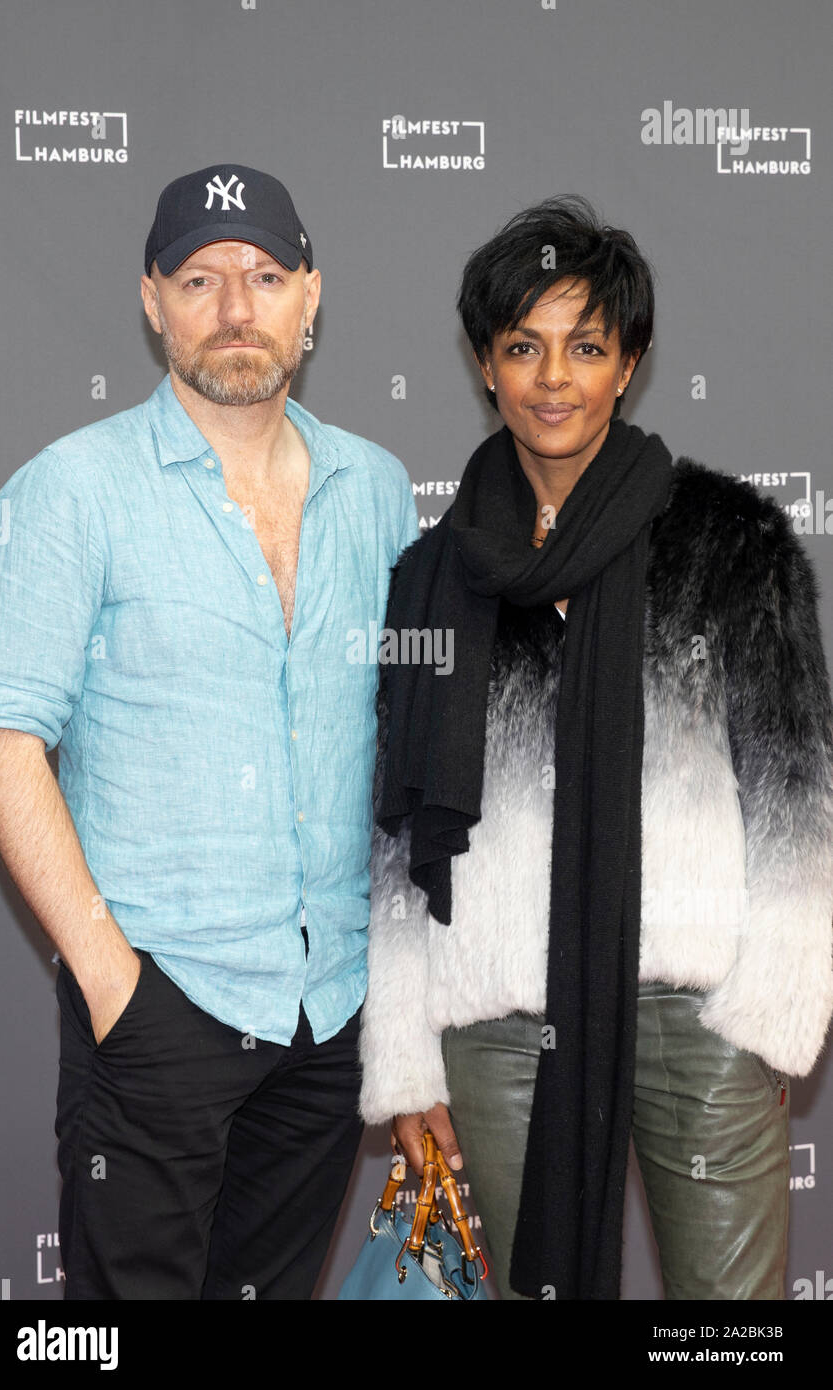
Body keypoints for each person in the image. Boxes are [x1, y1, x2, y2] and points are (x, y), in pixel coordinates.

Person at [358, 194, 833, 1301]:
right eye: (522, 346)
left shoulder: (726, 540)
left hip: (692, 1017)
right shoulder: (436, 575)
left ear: (629, 362)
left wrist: (769, 1010)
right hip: (500, 1025)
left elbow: (796, 796)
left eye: (584, 344)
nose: (552, 376)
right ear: (485, 366)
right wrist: (405, 1053)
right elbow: (395, 837)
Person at [0, 163, 420, 1300]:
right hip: (158, 1005)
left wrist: (398, 1003)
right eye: (202, 278)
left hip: (327, 1013)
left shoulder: (372, 488)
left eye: (265, 276)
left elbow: (406, 740)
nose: (235, 307)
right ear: (151, 300)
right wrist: (111, 975)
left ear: (309, 298)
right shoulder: (69, 490)